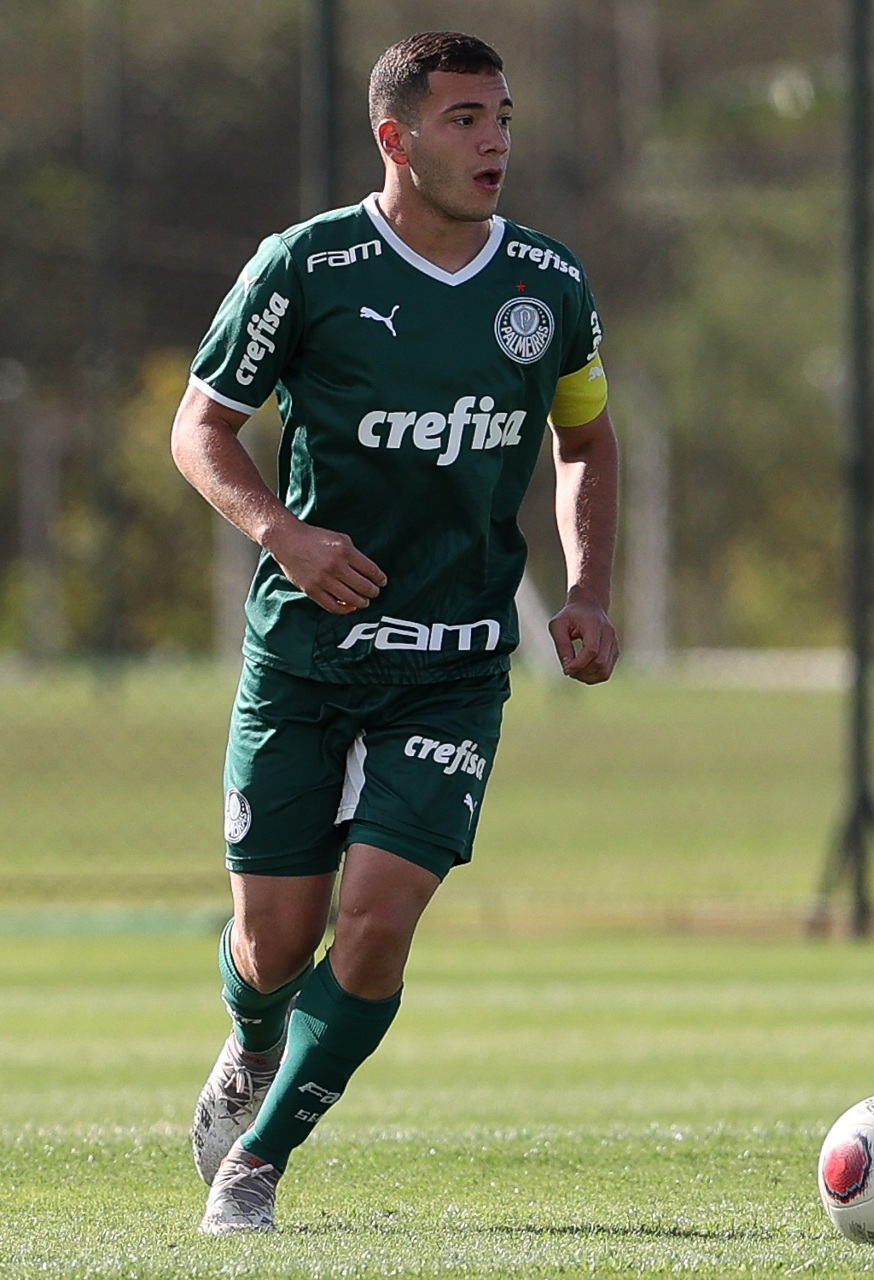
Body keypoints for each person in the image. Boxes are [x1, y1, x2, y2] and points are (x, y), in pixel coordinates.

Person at [170, 30, 619, 1234]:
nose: (493, 141)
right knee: (275, 943)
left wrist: (586, 589)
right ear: (396, 136)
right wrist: (285, 535)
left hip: (453, 667)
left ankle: (255, 1166)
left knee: (373, 926)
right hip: (305, 658)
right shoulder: (306, 267)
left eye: (502, 117)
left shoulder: (548, 285)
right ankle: (252, 1038)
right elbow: (199, 429)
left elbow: (584, 439)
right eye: (464, 119)